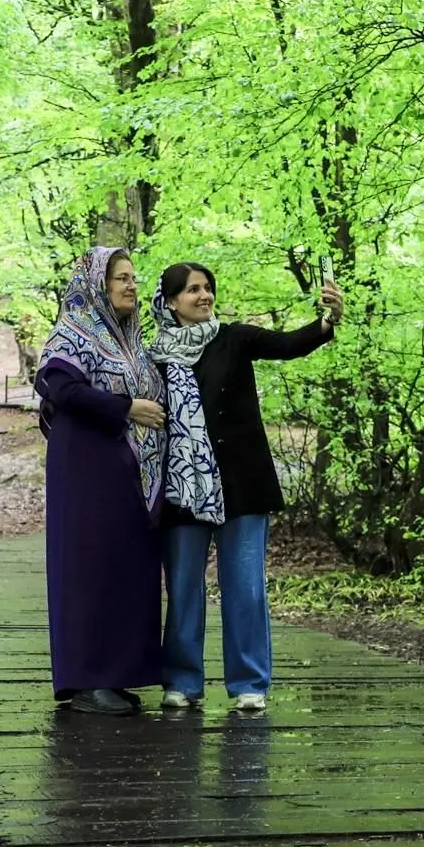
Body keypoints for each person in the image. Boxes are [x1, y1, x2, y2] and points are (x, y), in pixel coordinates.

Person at [149, 262, 343, 712]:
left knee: (247, 588)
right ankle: (182, 681)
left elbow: (291, 344)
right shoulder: (154, 356)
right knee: (182, 587)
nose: (204, 296)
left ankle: (249, 683)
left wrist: (327, 320)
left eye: (208, 288)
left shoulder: (234, 338)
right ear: (171, 300)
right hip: (184, 489)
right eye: (193, 289)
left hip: (243, 483)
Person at [34, 246, 168, 715]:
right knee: (89, 568)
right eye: (121, 278)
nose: (131, 285)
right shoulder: (73, 333)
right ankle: (87, 679)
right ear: (97, 286)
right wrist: (126, 408)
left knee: (124, 566)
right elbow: (60, 388)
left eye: (133, 277)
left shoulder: (132, 341)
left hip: (125, 471)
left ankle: (117, 674)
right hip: (86, 467)